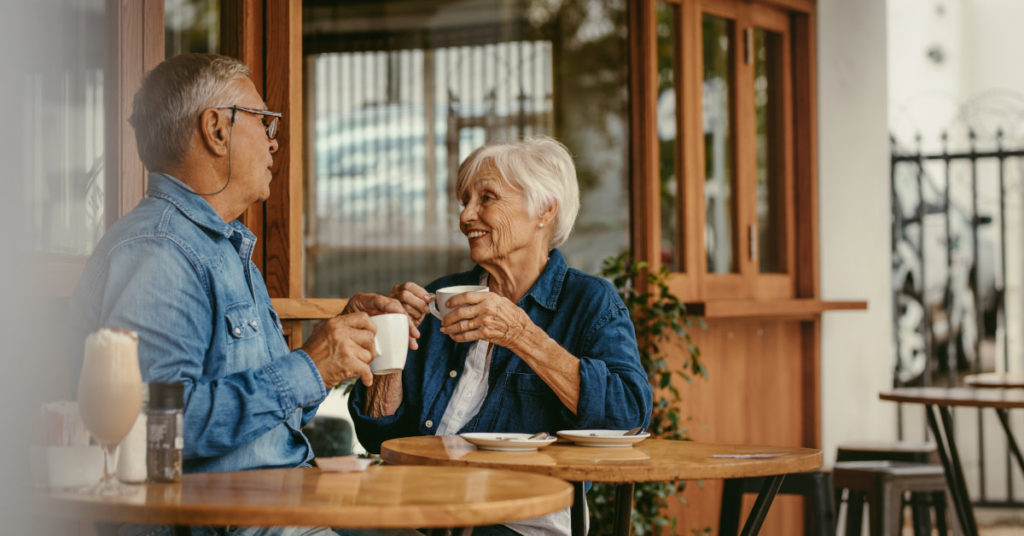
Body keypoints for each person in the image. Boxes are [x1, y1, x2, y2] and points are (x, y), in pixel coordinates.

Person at [71, 53, 411, 535]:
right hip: (239, 523)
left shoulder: (220, 247)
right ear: (216, 129)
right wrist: (309, 366)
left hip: (288, 507)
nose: (275, 140)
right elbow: (157, 431)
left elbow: (271, 412)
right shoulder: (161, 252)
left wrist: (329, 356)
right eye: (264, 120)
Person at [349, 137, 653, 536]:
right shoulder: (443, 295)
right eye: (464, 201)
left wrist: (522, 335)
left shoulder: (589, 303)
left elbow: (629, 416)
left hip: (520, 521)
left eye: (486, 198)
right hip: (418, 509)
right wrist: (391, 345)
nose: (466, 216)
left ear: (544, 209)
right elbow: (377, 436)